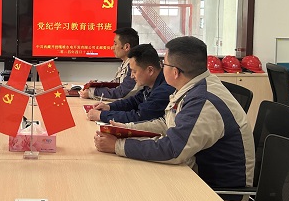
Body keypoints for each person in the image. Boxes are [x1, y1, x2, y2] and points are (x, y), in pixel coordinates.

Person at [94, 36, 255, 191]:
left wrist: (117, 146)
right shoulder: (192, 87)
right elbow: (166, 124)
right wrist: (126, 129)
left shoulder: (203, 100)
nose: (161, 67)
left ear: (175, 72)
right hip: (195, 174)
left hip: (219, 193)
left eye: (164, 64)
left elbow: (173, 150)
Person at [87, 44, 174, 123]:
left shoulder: (164, 90)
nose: (132, 76)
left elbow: (139, 117)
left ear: (150, 70)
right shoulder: (150, 84)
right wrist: (109, 107)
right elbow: (133, 101)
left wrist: (101, 115)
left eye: (134, 71)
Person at [80, 27, 140, 100]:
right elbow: (115, 85)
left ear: (126, 47)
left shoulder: (134, 66)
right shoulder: (125, 62)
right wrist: (97, 85)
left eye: (115, 44)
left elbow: (121, 93)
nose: (112, 47)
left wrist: (92, 92)